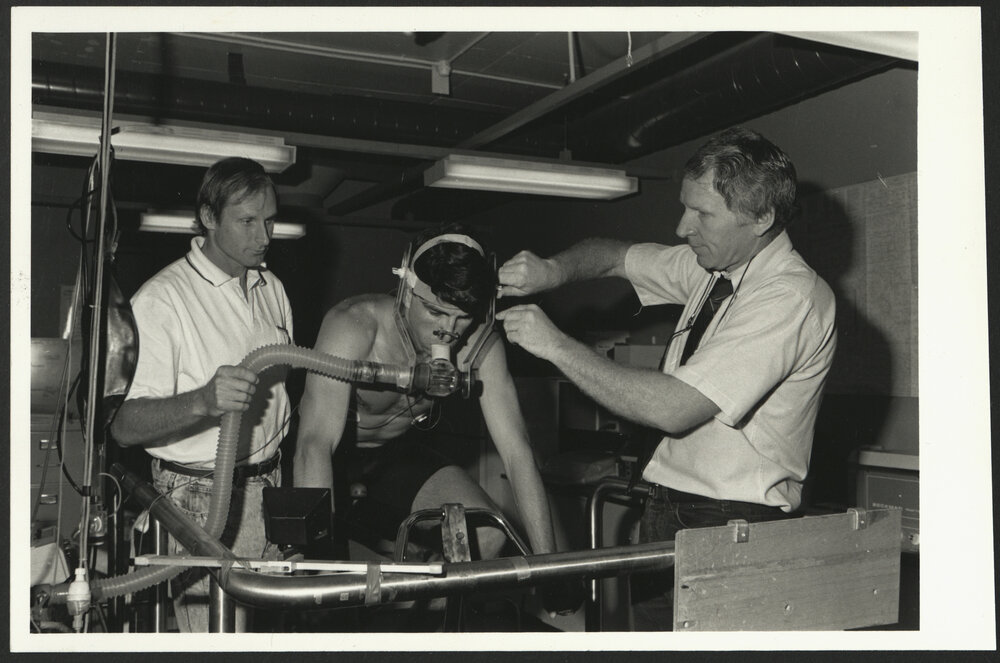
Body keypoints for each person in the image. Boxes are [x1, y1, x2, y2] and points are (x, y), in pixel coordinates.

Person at [496, 126, 837, 629]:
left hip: (732, 522)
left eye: (702, 214)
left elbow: (673, 409)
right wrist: (553, 270)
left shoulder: (789, 297)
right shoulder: (716, 268)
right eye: (685, 207)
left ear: (762, 218)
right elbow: (613, 255)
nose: (682, 227)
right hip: (669, 509)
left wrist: (555, 346)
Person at [293, 225, 556, 564]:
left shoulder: (480, 347)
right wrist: (319, 564)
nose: (448, 331)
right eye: (435, 312)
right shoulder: (355, 326)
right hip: (328, 453)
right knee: (319, 565)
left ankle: (422, 593)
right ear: (406, 293)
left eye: (462, 318)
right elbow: (314, 443)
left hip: (390, 458)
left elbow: (517, 453)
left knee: (486, 534)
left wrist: (550, 564)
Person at [111, 157, 293, 632]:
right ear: (209, 217)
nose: (264, 236)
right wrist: (202, 401)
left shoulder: (271, 287)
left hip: (270, 486)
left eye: (270, 221)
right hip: (201, 496)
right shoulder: (162, 300)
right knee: (217, 641)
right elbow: (124, 426)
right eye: (247, 221)